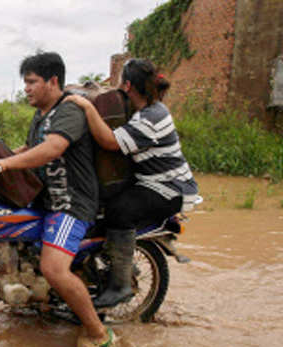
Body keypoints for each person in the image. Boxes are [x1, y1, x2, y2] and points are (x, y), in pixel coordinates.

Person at [0, 52, 115, 347]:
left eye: (31, 82)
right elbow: (32, 147)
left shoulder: (68, 111)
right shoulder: (42, 114)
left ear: (53, 81)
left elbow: (53, 148)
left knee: (54, 269)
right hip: (45, 199)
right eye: (24, 82)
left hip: (70, 204)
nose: (26, 88)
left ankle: (100, 334)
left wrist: (6, 164)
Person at [65, 58, 199, 308]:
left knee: (120, 211)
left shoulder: (152, 116)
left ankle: (121, 285)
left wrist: (86, 107)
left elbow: (110, 142)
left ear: (127, 86)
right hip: (148, 182)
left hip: (168, 187)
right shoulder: (142, 112)